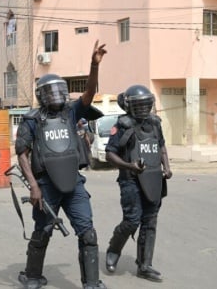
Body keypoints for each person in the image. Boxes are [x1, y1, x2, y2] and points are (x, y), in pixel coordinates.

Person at [15, 40, 107, 289]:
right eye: (50, 91)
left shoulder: (71, 113)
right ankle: (32, 275)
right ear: (41, 96)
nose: (55, 95)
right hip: (45, 185)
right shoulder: (31, 120)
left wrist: (93, 65)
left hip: (74, 182)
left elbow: (88, 95)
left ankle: (91, 283)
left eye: (59, 90)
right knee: (42, 231)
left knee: (87, 232)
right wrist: (33, 186)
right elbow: (22, 154)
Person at [103, 85, 173, 282]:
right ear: (129, 106)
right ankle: (114, 249)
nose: (143, 109)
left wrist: (166, 167)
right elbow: (110, 154)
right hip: (130, 180)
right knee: (132, 220)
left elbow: (161, 146)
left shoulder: (155, 123)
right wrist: (129, 166)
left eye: (146, 105)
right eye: (139, 105)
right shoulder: (122, 125)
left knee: (150, 221)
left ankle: (144, 265)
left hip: (153, 179)